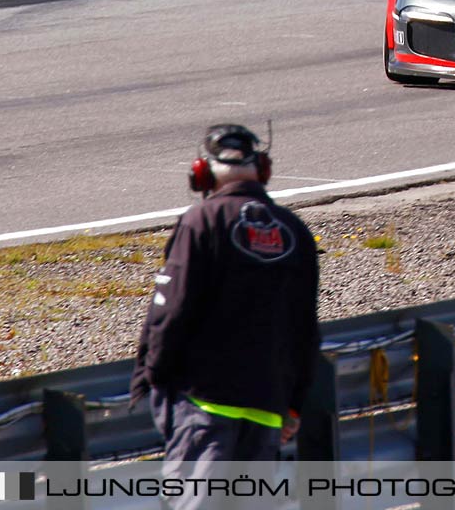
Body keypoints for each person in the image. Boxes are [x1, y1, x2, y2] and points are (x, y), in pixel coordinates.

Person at [131, 124, 320, 472]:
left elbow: (171, 310)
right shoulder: (295, 231)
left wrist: (150, 376)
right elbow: (306, 330)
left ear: (200, 174)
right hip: (267, 407)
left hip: (204, 406)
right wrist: (294, 405)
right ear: (262, 169)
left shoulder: (200, 221)